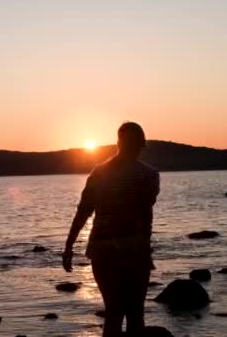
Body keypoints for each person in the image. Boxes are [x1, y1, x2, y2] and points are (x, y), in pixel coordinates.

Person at [62, 122, 160, 337]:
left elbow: (83, 212)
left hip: (103, 251)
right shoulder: (149, 175)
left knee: (114, 312)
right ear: (141, 145)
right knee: (134, 314)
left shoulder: (99, 173)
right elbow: (145, 216)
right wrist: (141, 251)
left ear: (118, 143)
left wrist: (69, 247)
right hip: (130, 250)